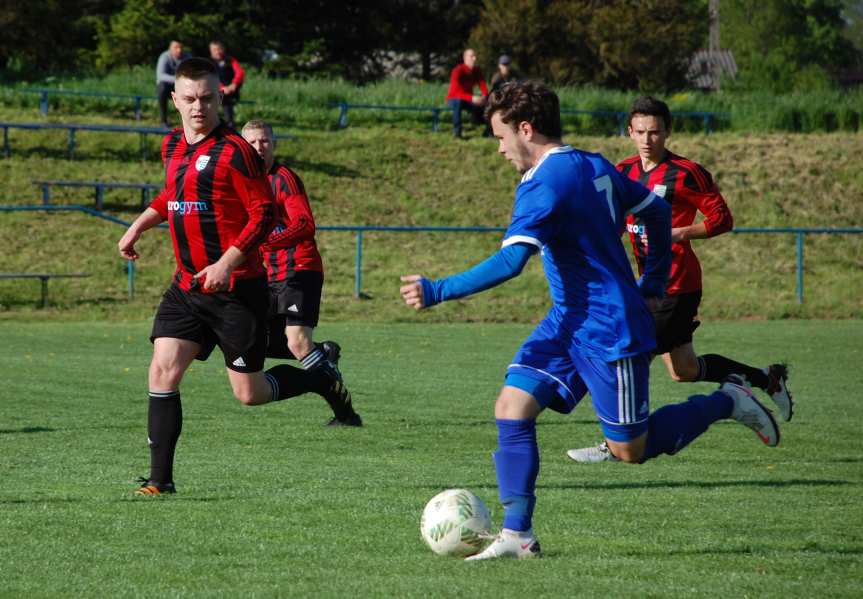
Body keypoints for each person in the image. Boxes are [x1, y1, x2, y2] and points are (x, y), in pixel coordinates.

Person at [399, 81, 781, 560]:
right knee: (511, 408)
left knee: (630, 450)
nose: (498, 150)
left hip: (608, 328)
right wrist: (655, 278)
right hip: (567, 321)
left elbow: (510, 263)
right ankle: (517, 535)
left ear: (525, 128)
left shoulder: (545, 183)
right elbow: (655, 209)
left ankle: (726, 402)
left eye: (499, 137)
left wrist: (437, 290)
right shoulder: (591, 162)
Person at [117, 58, 338, 496]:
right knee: (162, 372)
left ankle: (316, 377)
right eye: (191, 99)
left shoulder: (236, 152)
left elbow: (262, 216)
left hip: (238, 291)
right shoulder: (172, 147)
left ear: (220, 98)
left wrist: (226, 263)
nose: (199, 107)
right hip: (187, 287)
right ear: (175, 100)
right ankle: (161, 481)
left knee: (249, 394)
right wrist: (138, 225)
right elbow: (172, 194)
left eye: (208, 98)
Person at [566, 96, 793, 464]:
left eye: (654, 132)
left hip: (677, 285)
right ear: (629, 132)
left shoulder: (687, 172)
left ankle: (617, 441)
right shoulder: (621, 172)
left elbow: (722, 219)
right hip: (647, 284)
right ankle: (766, 379)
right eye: (640, 131)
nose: (647, 139)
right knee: (684, 370)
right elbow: (612, 220)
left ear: (667, 132)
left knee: (629, 353)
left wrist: (678, 233)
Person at [241, 119, 361, 426]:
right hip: (269, 276)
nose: (259, 147)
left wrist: (265, 240)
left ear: (274, 144)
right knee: (253, 340)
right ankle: (322, 355)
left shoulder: (284, 179)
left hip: (299, 268)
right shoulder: (243, 182)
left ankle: (346, 414)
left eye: (265, 141)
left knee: (296, 342)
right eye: (252, 142)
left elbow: (305, 225)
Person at [446, 49, 489, 138]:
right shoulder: (458, 71)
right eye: (472, 56)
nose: (474, 59)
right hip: (453, 99)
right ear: (465, 58)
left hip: (468, 100)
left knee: (487, 103)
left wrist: (484, 97)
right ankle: (457, 133)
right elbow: (455, 93)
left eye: (475, 56)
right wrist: (472, 98)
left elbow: (482, 84)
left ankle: (488, 131)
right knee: (458, 102)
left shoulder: (477, 71)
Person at [209, 40, 245, 128]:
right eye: (214, 50)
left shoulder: (231, 60)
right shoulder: (209, 62)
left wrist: (234, 84)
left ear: (223, 49)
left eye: (219, 49)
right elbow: (209, 77)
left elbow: (240, 73)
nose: (217, 52)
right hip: (215, 89)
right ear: (211, 51)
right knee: (221, 96)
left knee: (226, 98)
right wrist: (221, 88)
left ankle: (229, 122)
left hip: (232, 89)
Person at [154, 40, 189, 128]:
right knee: (161, 88)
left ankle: (187, 121)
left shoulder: (188, 57)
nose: (179, 50)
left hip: (183, 86)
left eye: (181, 47)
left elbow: (192, 73)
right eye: (176, 47)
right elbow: (160, 76)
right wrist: (178, 79)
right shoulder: (164, 57)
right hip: (168, 86)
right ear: (170, 48)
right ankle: (163, 120)